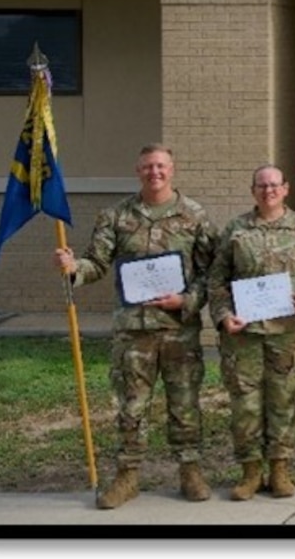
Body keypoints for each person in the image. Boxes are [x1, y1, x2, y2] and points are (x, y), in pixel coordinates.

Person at [54, 144, 215, 508]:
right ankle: (127, 476)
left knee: (185, 403)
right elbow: (97, 262)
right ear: (137, 170)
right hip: (133, 331)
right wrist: (73, 268)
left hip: (178, 329)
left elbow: (212, 272)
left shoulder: (195, 216)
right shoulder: (116, 216)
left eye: (160, 166)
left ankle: (190, 470)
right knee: (131, 405)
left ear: (172, 169)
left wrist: (186, 301)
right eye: (146, 167)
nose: (153, 172)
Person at [207, 164, 295, 500]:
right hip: (245, 335)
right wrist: (224, 315)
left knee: (283, 402)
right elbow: (216, 279)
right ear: (253, 191)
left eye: (274, 185)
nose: (268, 191)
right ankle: (251, 471)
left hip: (288, 334)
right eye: (261, 185)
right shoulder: (236, 230)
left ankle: (280, 469)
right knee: (246, 405)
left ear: (285, 189)